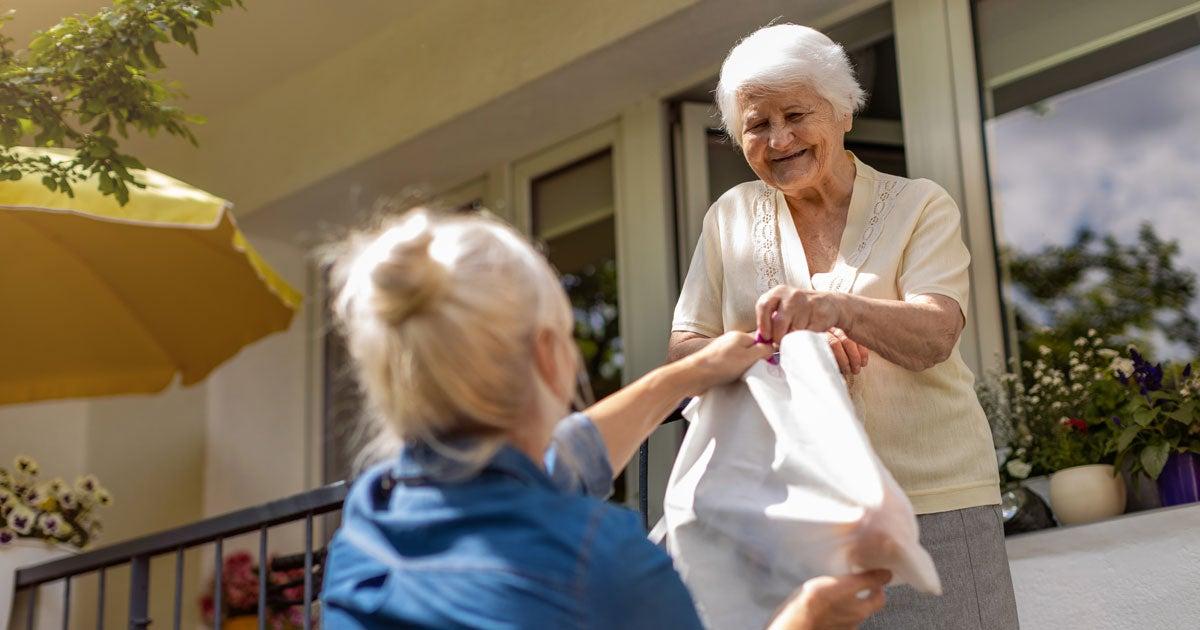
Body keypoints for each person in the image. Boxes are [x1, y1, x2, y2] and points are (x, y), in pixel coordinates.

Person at [319, 209, 891, 629]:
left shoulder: (373, 514)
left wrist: (690, 374)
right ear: (550, 355)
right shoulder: (598, 559)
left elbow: (554, 462)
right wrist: (808, 619)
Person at [669, 24, 1018, 629]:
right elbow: (685, 351)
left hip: (931, 502)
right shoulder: (729, 218)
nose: (778, 139)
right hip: (788, 515)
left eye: (796, 114)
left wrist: (836, 309)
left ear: (844, 112)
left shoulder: (920, 206)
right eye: (757, 124)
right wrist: (779, 353)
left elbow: (935, 334)